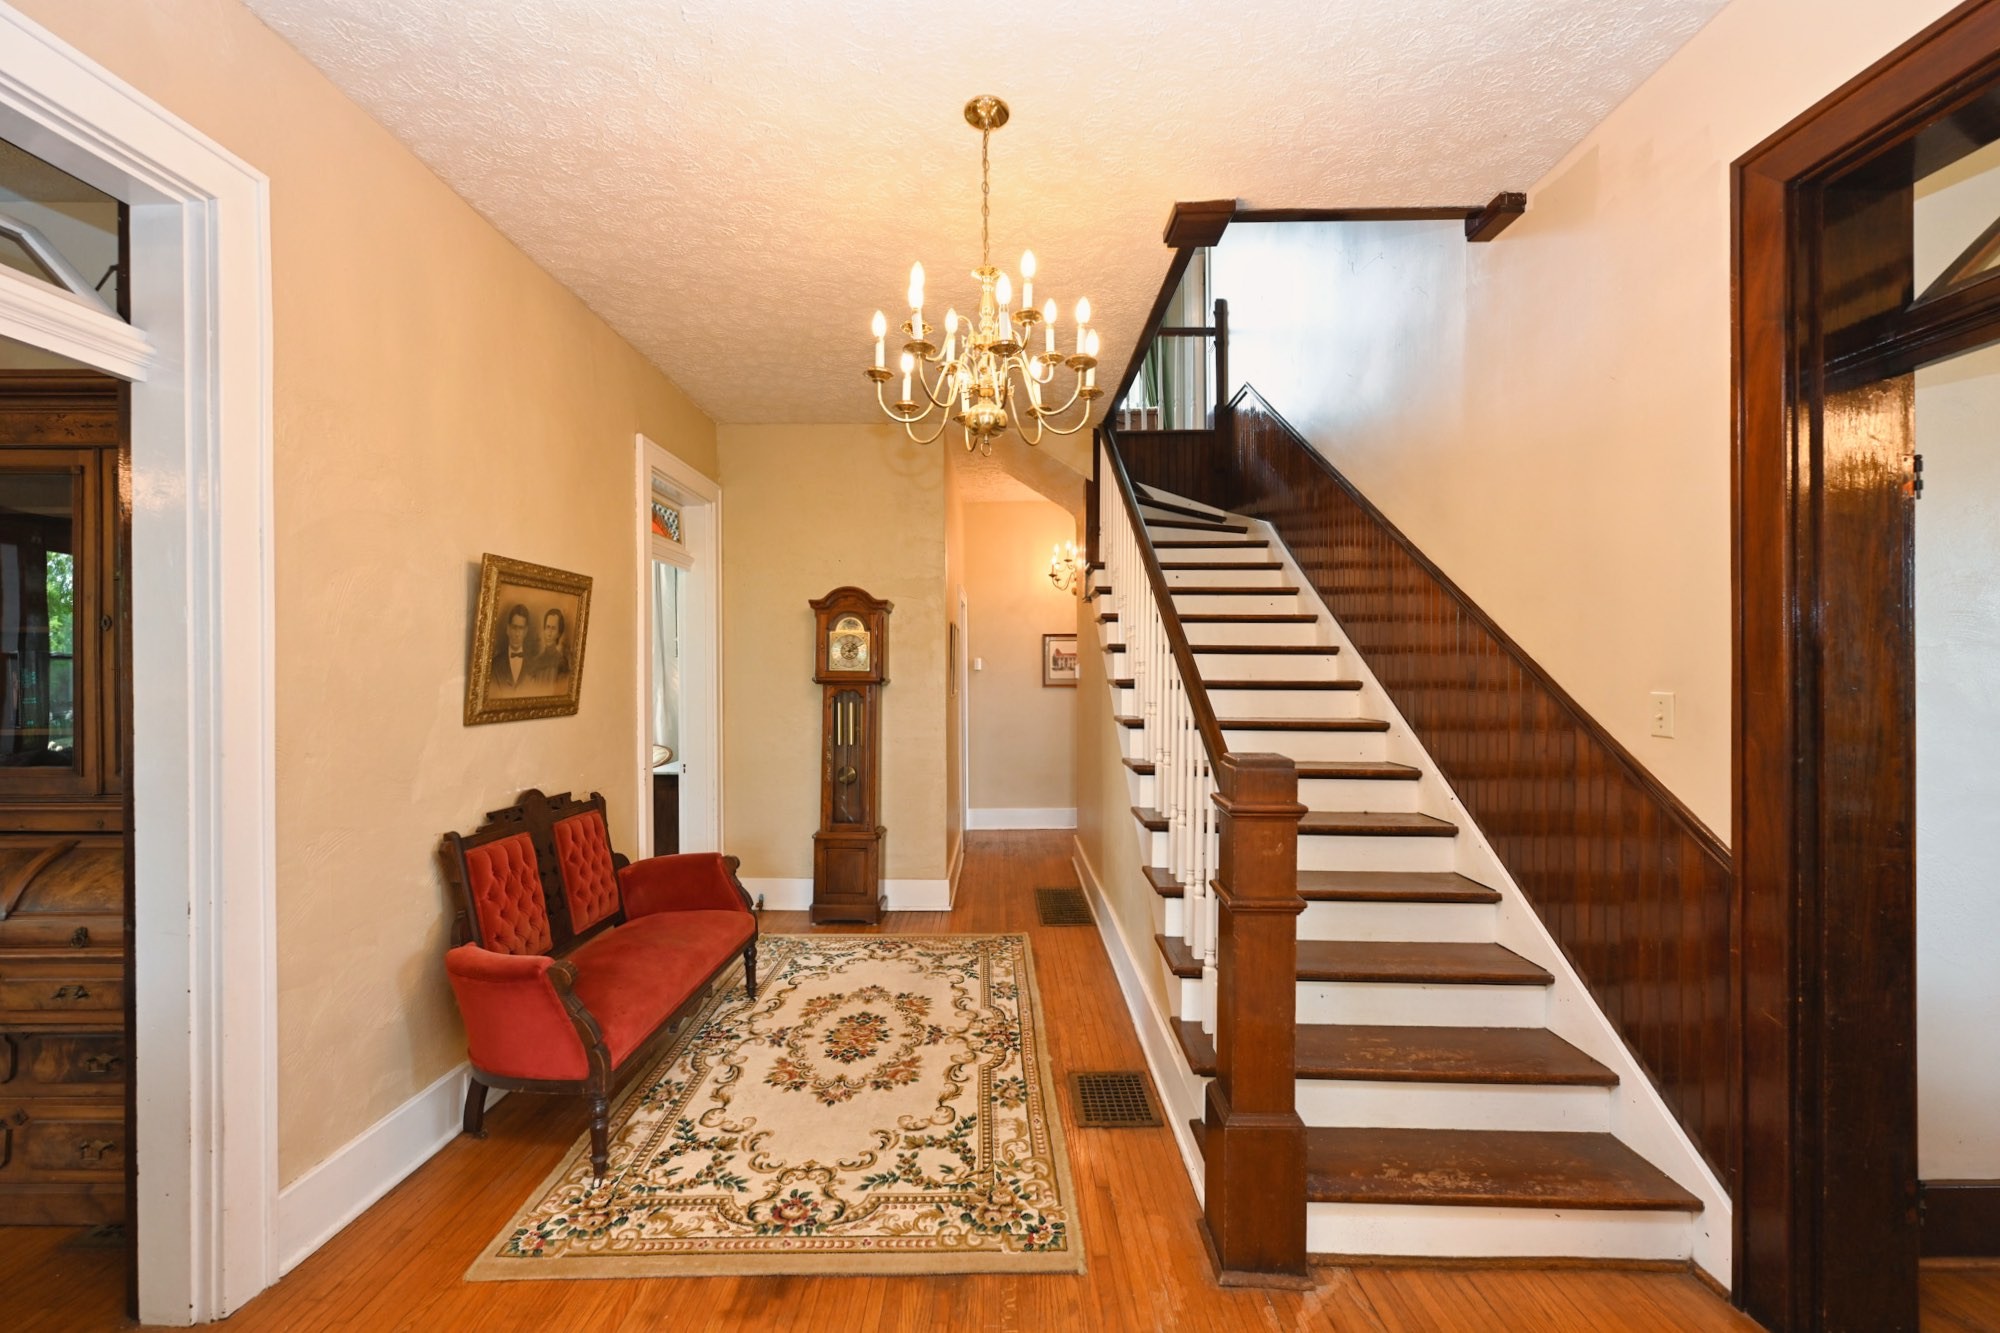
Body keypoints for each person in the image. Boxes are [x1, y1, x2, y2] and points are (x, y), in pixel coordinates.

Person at [489, 603, 534, 694]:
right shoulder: (494, 664)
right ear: (508, 629)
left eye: (521, 628)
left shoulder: (534, 664)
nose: (517, 634)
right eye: (514, 627)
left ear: (526, 632)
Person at [528, 606, 572, 687]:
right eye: (547, 627)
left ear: (559, 633)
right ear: (544, 629)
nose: (549, 633)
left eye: (553, 628)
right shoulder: (536, 661)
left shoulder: (562, 663)